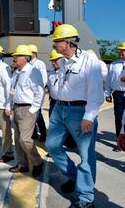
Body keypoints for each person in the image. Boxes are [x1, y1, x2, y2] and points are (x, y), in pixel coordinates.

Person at [45, 24, 104, 208]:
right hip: (60, 109)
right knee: (52, 145)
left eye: (57, 41)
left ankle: (86, 198)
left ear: (68, 42)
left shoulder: (89, 60)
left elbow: (96, 92)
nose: (54, 45)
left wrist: (89, 116)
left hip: (80, 112)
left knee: (86, 156)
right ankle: (75, 177)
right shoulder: (62, 63)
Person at [8, 45, 44, 177]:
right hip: (17, 108)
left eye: (17, 56)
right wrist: (11, 106)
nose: (14, 58)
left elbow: (39, 93)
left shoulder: (33, 72)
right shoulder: (17, 73)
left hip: (27, 109)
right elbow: (12, 92)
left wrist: (33, 110)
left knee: (25, 139)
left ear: (25, 58)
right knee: (17, 140)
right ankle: (22, 164)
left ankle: (37, 162)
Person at [48, 50, 76, 149]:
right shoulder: (51, 72)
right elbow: (50, 86)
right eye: (52, 60)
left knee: (68, 125)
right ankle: (55, 146)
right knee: (54, 126)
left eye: (55, 60)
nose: (53, 62)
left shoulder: (67, 71)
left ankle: (70, 142)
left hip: (64, 103)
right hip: (53, 102)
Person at [105, 41, 125, 151]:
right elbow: (108, 81)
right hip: (118, 94)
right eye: (120, 50)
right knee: (119, 118)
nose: (120, 52)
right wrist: (107, 94)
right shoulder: (113, 64)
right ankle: (119, 142)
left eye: (123, 50)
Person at [28, 44, 48, 142]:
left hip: (37, 92)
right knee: (31, 113)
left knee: (38, 113)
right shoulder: (28, 64)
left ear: (34, 53)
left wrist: (39, 90)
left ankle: (43, 132)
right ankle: (34, 133)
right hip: (29, 93)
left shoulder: (40, 64)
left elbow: (44, 79)